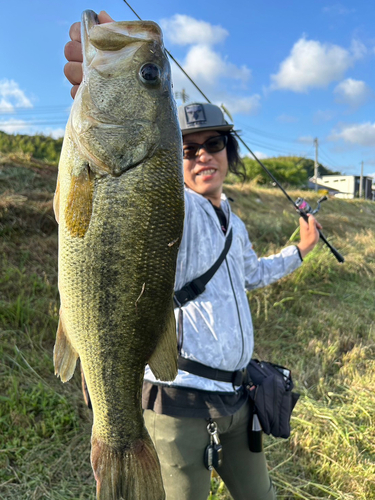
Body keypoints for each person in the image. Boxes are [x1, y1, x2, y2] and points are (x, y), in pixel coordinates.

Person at [64, 12, 321, 500]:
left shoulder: (234, 220)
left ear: (229, 152)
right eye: (188, 149)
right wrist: (92, 91)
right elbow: (122, 178)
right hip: (179, 407)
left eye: (215, 143)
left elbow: (249, 273)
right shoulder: (171, 204)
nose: (203, 155)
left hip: (238, 401)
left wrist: (301, 251)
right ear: (169, 155)